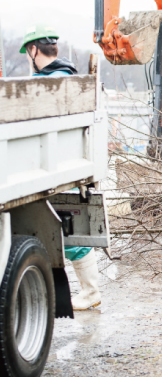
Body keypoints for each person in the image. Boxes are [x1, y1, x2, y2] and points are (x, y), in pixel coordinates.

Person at [21, 24, 101, 310]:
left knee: (65, 232)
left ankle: (91, 292)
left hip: (51, 165)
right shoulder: (67, 74)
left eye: (26, 54)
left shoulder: (50, 81)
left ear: (33, 50)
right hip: (67, 161)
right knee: (67, 229)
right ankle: (89, 291)